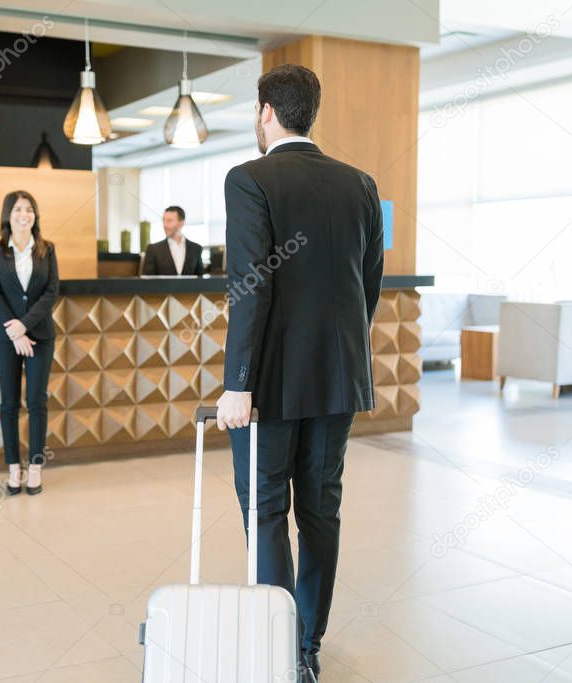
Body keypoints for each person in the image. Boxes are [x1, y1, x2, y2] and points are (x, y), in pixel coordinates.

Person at [215, 64, 384, 681]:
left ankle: (273, 638)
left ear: (266, 113)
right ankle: (306, 648)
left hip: (268, 388)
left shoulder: (249, 180)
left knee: (264, 511)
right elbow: (368, 286)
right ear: (309, 113)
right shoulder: (360, 184)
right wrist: (342, 353)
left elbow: (250, 288)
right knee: (319, 511)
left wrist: (238, 382)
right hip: (338, 379)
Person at [0, 190, 59, 495]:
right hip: (6, 339)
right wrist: (14, 332)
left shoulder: (47, 249)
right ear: (8, 214)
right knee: (9, 403)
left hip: (40, 336)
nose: (23, 214)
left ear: (35, 215)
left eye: (29, 209)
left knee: (37, 402)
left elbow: (51, 292)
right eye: (17, 209)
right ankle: (14, 469)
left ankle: (36, 469)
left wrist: (25, 326)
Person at [141, 206, 205, 276]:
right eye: (163, 220)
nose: (164, 225)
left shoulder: (196, 249)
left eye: (169, 221)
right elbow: (147, 282)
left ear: (181, 223)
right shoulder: (153, 249)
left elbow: (200, 280)